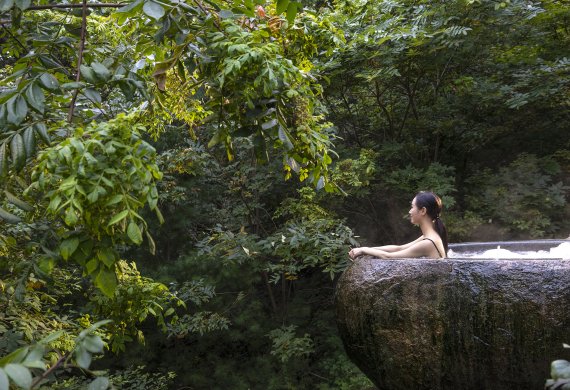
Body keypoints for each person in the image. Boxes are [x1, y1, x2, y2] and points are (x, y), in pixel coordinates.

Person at [349, 191, 448, 260]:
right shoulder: (428, 237)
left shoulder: (428, 242)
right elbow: (399, 248)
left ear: (423, 211)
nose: (409, 211)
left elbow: (389, 257)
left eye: (412, 207)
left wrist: (363, 250)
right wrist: (368, 249)